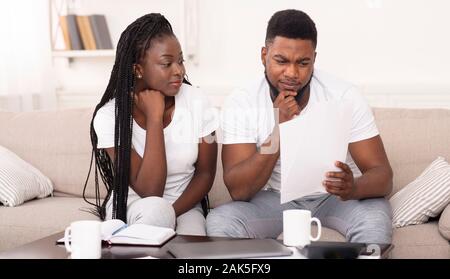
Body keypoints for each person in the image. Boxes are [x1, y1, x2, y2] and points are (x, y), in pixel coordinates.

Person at [206, 9, 393, 244]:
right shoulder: (242, 101)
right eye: (281, 61)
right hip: (276, 200)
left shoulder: (345, 95)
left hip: (337, 199)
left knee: (375, 220)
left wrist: (353, 187)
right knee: (221, 221)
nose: (292, 73)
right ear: (264, 55)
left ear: (314, 59)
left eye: (303, 63)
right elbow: (239, 191)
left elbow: (383, 176)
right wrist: (279, 130)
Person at [83, 13, 219, 236]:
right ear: (138, 69)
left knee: (193, 245)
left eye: (180, 61)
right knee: (156, 211)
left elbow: (206, 174)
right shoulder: (109, 118)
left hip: (184, 208)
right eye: (167, 63)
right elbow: (150, 190)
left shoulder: (199, 102)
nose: (179, 70)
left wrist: (172, 213)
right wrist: (154, 118)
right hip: (132, 207)